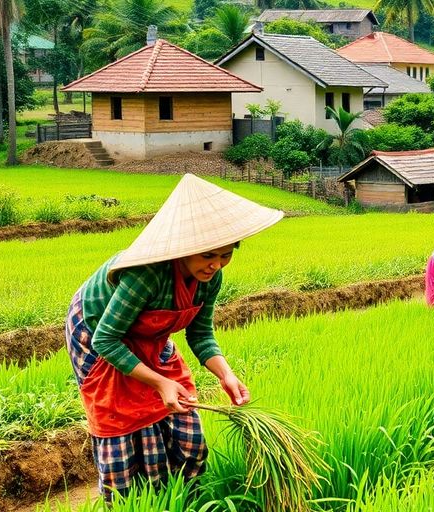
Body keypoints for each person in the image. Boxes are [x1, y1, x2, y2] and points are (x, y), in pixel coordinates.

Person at [65, 174, 283, 500]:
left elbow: (200, 332)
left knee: (185, 427)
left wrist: (226, 375)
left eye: (226, 255)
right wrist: (159, 382)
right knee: (122, 419)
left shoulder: (209, 279)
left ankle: (180, 497)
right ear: (184, 248)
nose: (216, 265)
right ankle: (129, 501)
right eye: (208, 255)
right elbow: (107, 340)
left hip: (150, 334)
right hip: (97, 334)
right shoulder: (147, 274)